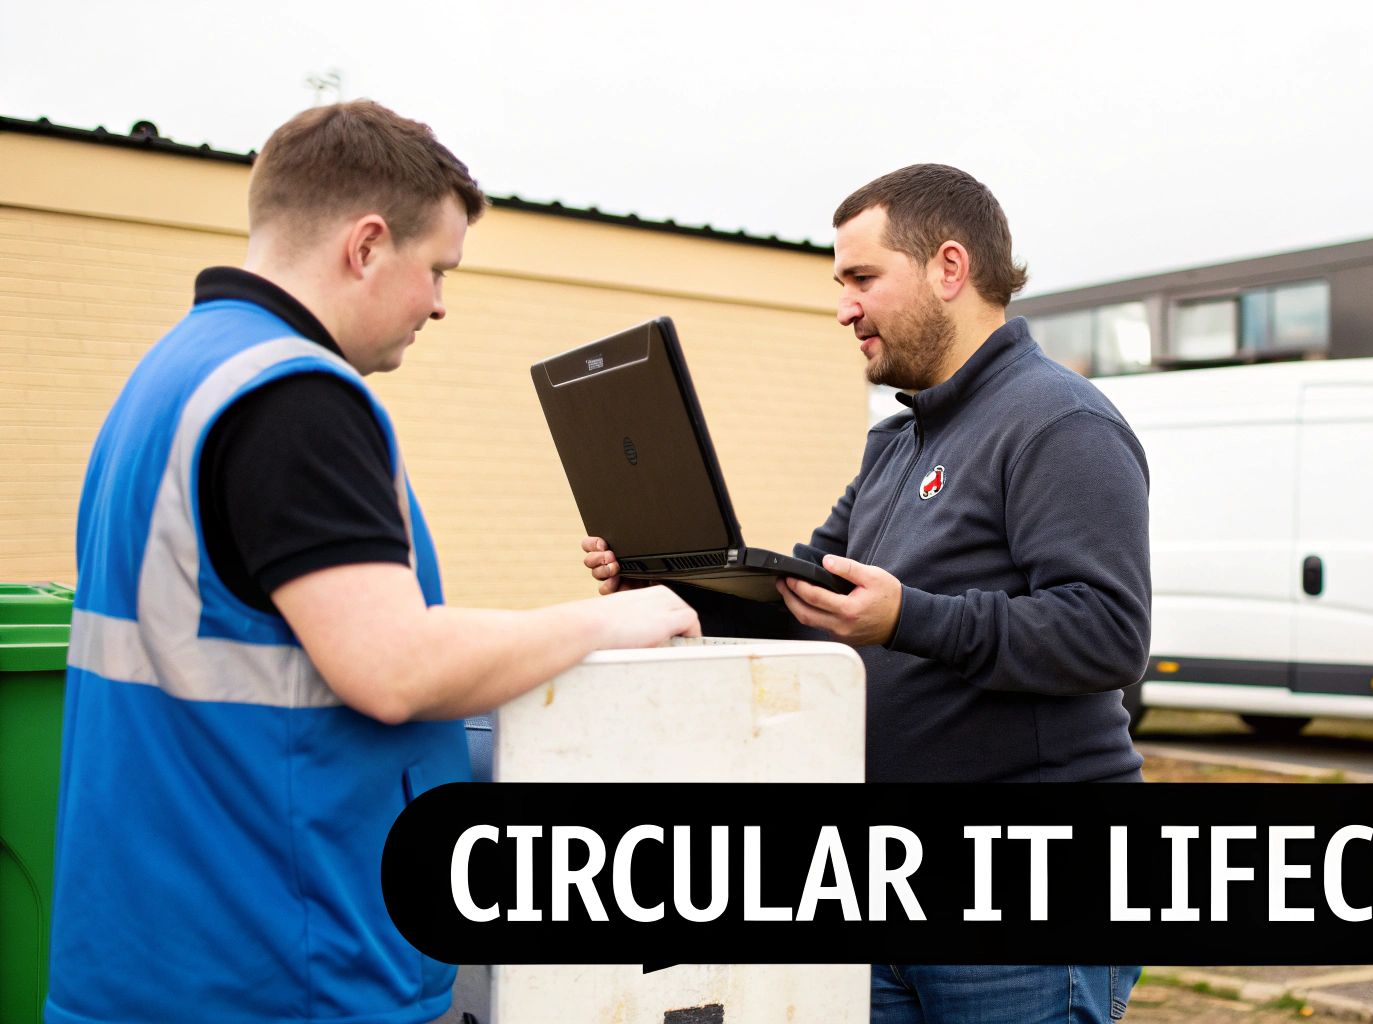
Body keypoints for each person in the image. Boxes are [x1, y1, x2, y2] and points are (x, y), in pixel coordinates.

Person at [47, 101, 699, 1024]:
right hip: (284, 971)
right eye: (435, 268)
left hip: (145, 958)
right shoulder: (296, 399)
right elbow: (392, 667)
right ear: (364, 246)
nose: (439, 301)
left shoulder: (175, 373)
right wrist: (614, 619)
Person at [586, 163, 1148, 1022]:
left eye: (862, 278)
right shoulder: (894, 444)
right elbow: (808, 600)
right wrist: (667, 584)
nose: (844, 307)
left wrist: (907, 619)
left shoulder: (1058, 422)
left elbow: (1108, 634)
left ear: (948, 269)